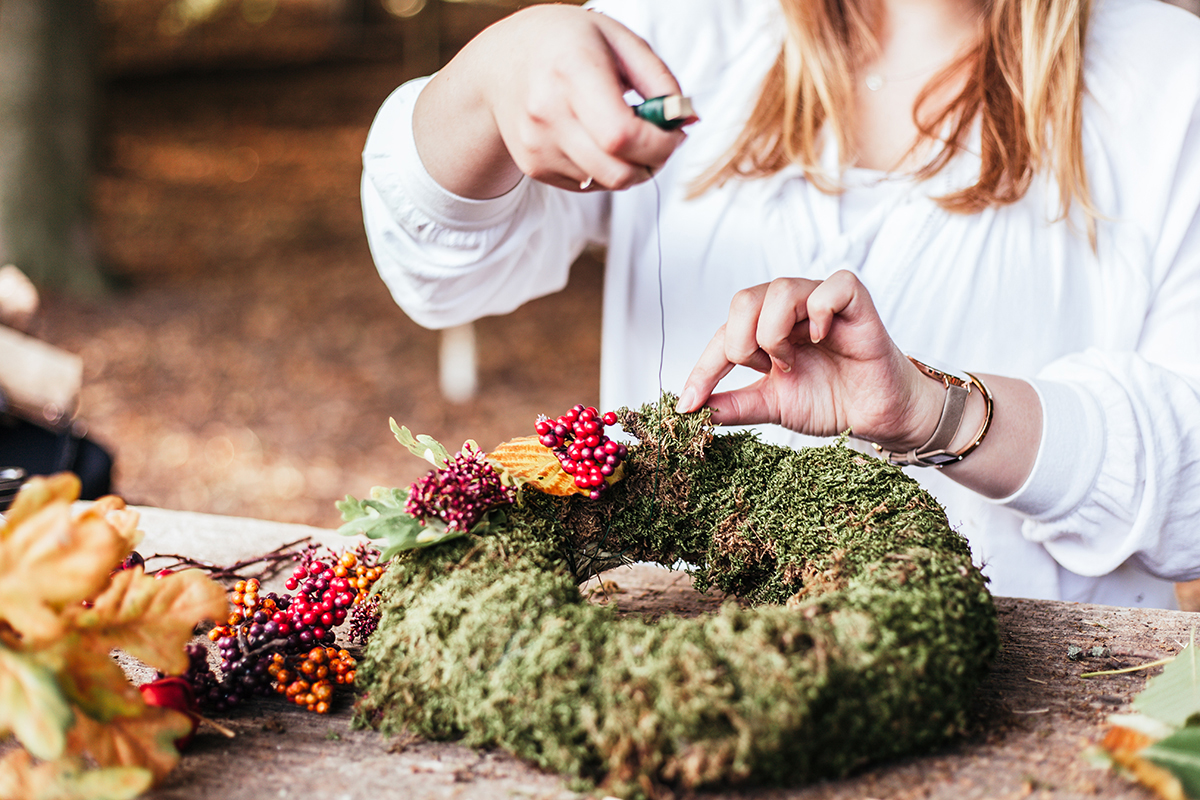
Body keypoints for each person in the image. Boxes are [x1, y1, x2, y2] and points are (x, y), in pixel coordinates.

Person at [360, 0, 1200, 608]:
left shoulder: (1172, 80)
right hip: (654, 684)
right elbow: (437, 267)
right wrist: (489, 77)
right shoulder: (677, 31)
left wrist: (935, 414)